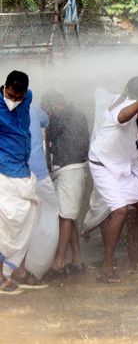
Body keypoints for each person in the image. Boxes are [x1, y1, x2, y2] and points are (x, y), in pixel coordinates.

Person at [85, 78, 138, 283]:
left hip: (125, 166)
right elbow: (123, 116)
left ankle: (135, 253)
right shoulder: (125, 111)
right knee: (119, 211)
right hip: (103, 165)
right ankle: (107, 267)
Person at [41, 90, 90, 280]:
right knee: (69, 216)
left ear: (53, 106)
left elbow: (50, 136)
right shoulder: (77, 114)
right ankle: (76, 260)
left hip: (68, 169)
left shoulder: (61, 115)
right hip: (74, 168)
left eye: (48, 110)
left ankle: (59, 263)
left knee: (65, 217)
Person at [10, 103, 60, 288]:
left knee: (16, 222)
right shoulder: (32, 107)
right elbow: (46, 120)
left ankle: (17, 271)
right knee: (47, 218)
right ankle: (34, 271)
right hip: (38, 175)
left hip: (13, 175)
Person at [0, 70, 38, 294]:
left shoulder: (29, 97)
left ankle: (17, 271)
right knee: (3, 227)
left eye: (18, 98)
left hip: (22, 172)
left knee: (23, 223)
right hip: (3, 172)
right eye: (10, 95)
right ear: (4, 87)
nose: (14, 101)